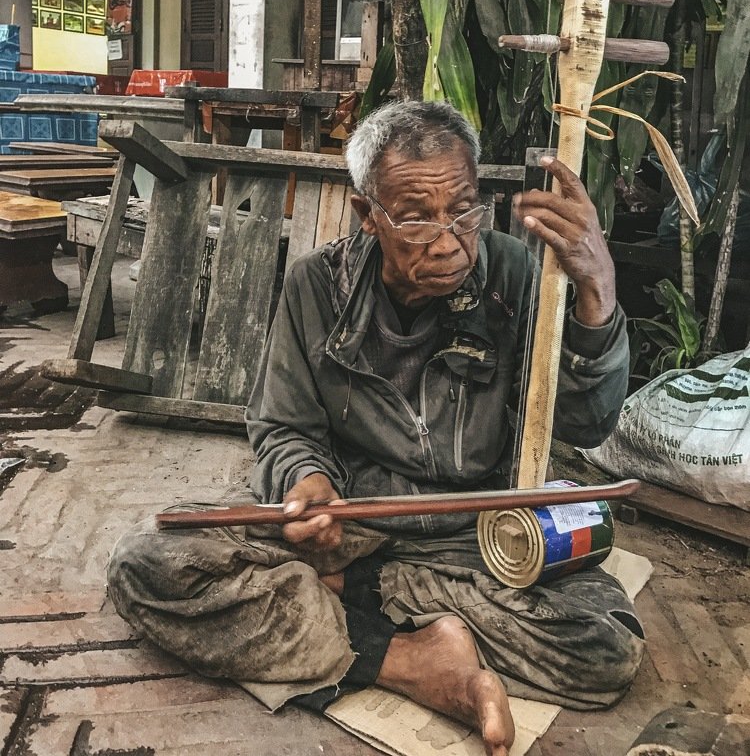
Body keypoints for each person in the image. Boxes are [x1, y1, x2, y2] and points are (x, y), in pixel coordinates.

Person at [108, 101, 644, 756]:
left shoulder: (513, 277)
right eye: (417, 216)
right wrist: (307, 484)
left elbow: (587, 424)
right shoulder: (316, 287)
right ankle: (415, 663)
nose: (449, 242)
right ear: (368, 216)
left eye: (464, 210)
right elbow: (281, 425)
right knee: (151, 561)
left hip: (472, 544)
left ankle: (354, 627)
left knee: (604, 645)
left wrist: (598, 293)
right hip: (350, 534)